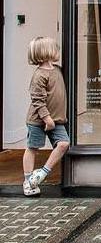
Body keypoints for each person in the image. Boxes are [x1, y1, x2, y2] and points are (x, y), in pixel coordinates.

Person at [23, 37, 70, 196]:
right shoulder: (39, 75)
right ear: (46, 52)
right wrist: (47, 119)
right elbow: (37, 100)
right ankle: (28, 180)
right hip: (39, 120)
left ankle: (41, 174)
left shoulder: (57, 70)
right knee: (32, 148)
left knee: (63, 144)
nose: (57, 50)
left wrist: (53, 120)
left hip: (57, 120)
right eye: (55, 48)